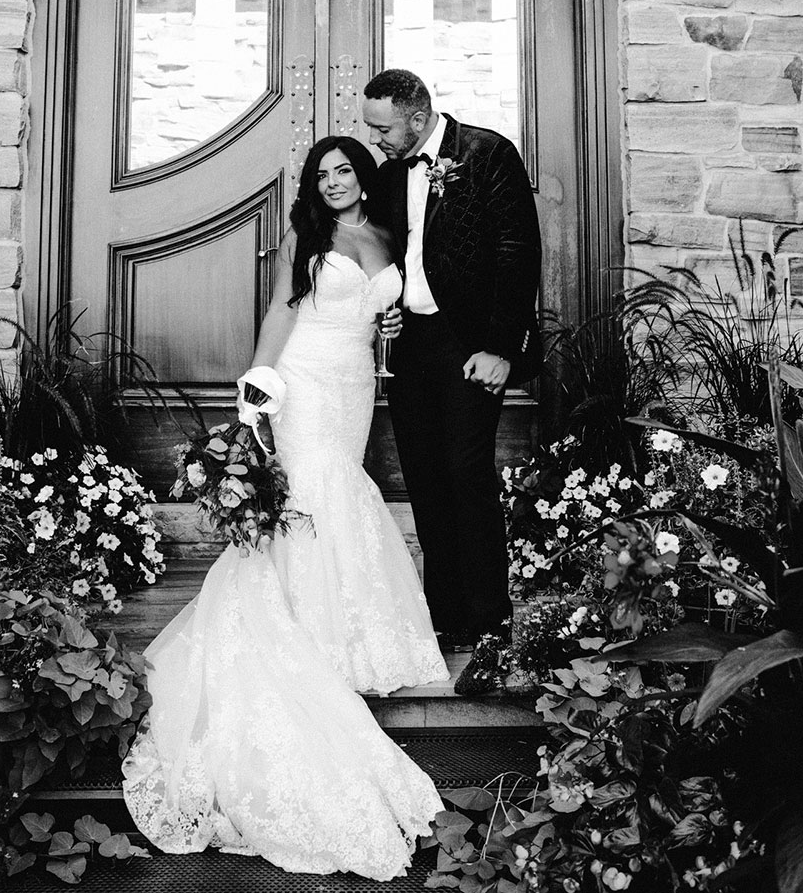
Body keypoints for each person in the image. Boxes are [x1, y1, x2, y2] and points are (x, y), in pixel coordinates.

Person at [123, 134, 448, 880]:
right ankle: (296, 624)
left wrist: (389, 326)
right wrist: (258, 384)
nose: (332, 182)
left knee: (339, 492)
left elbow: (386, 312)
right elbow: (281, 308)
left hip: (357, 383)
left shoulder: (388, 233)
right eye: (322, 173)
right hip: (301, 377)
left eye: (344, 171)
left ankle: (343, 626)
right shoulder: (308, 231)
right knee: (307, 491)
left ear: (364, 178)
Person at [362, 69, 542, 690]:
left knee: (467, 471)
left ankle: (492, 621)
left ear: (416, 117)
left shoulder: (487, 153)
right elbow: (394, 251)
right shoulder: (390, 171)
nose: (374, 138)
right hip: (411, 346)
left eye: (381, 126)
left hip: (471, 345)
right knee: (425, 476)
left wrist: (501, 348)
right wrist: (386, 303)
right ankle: (443, 616)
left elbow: (519, 250)